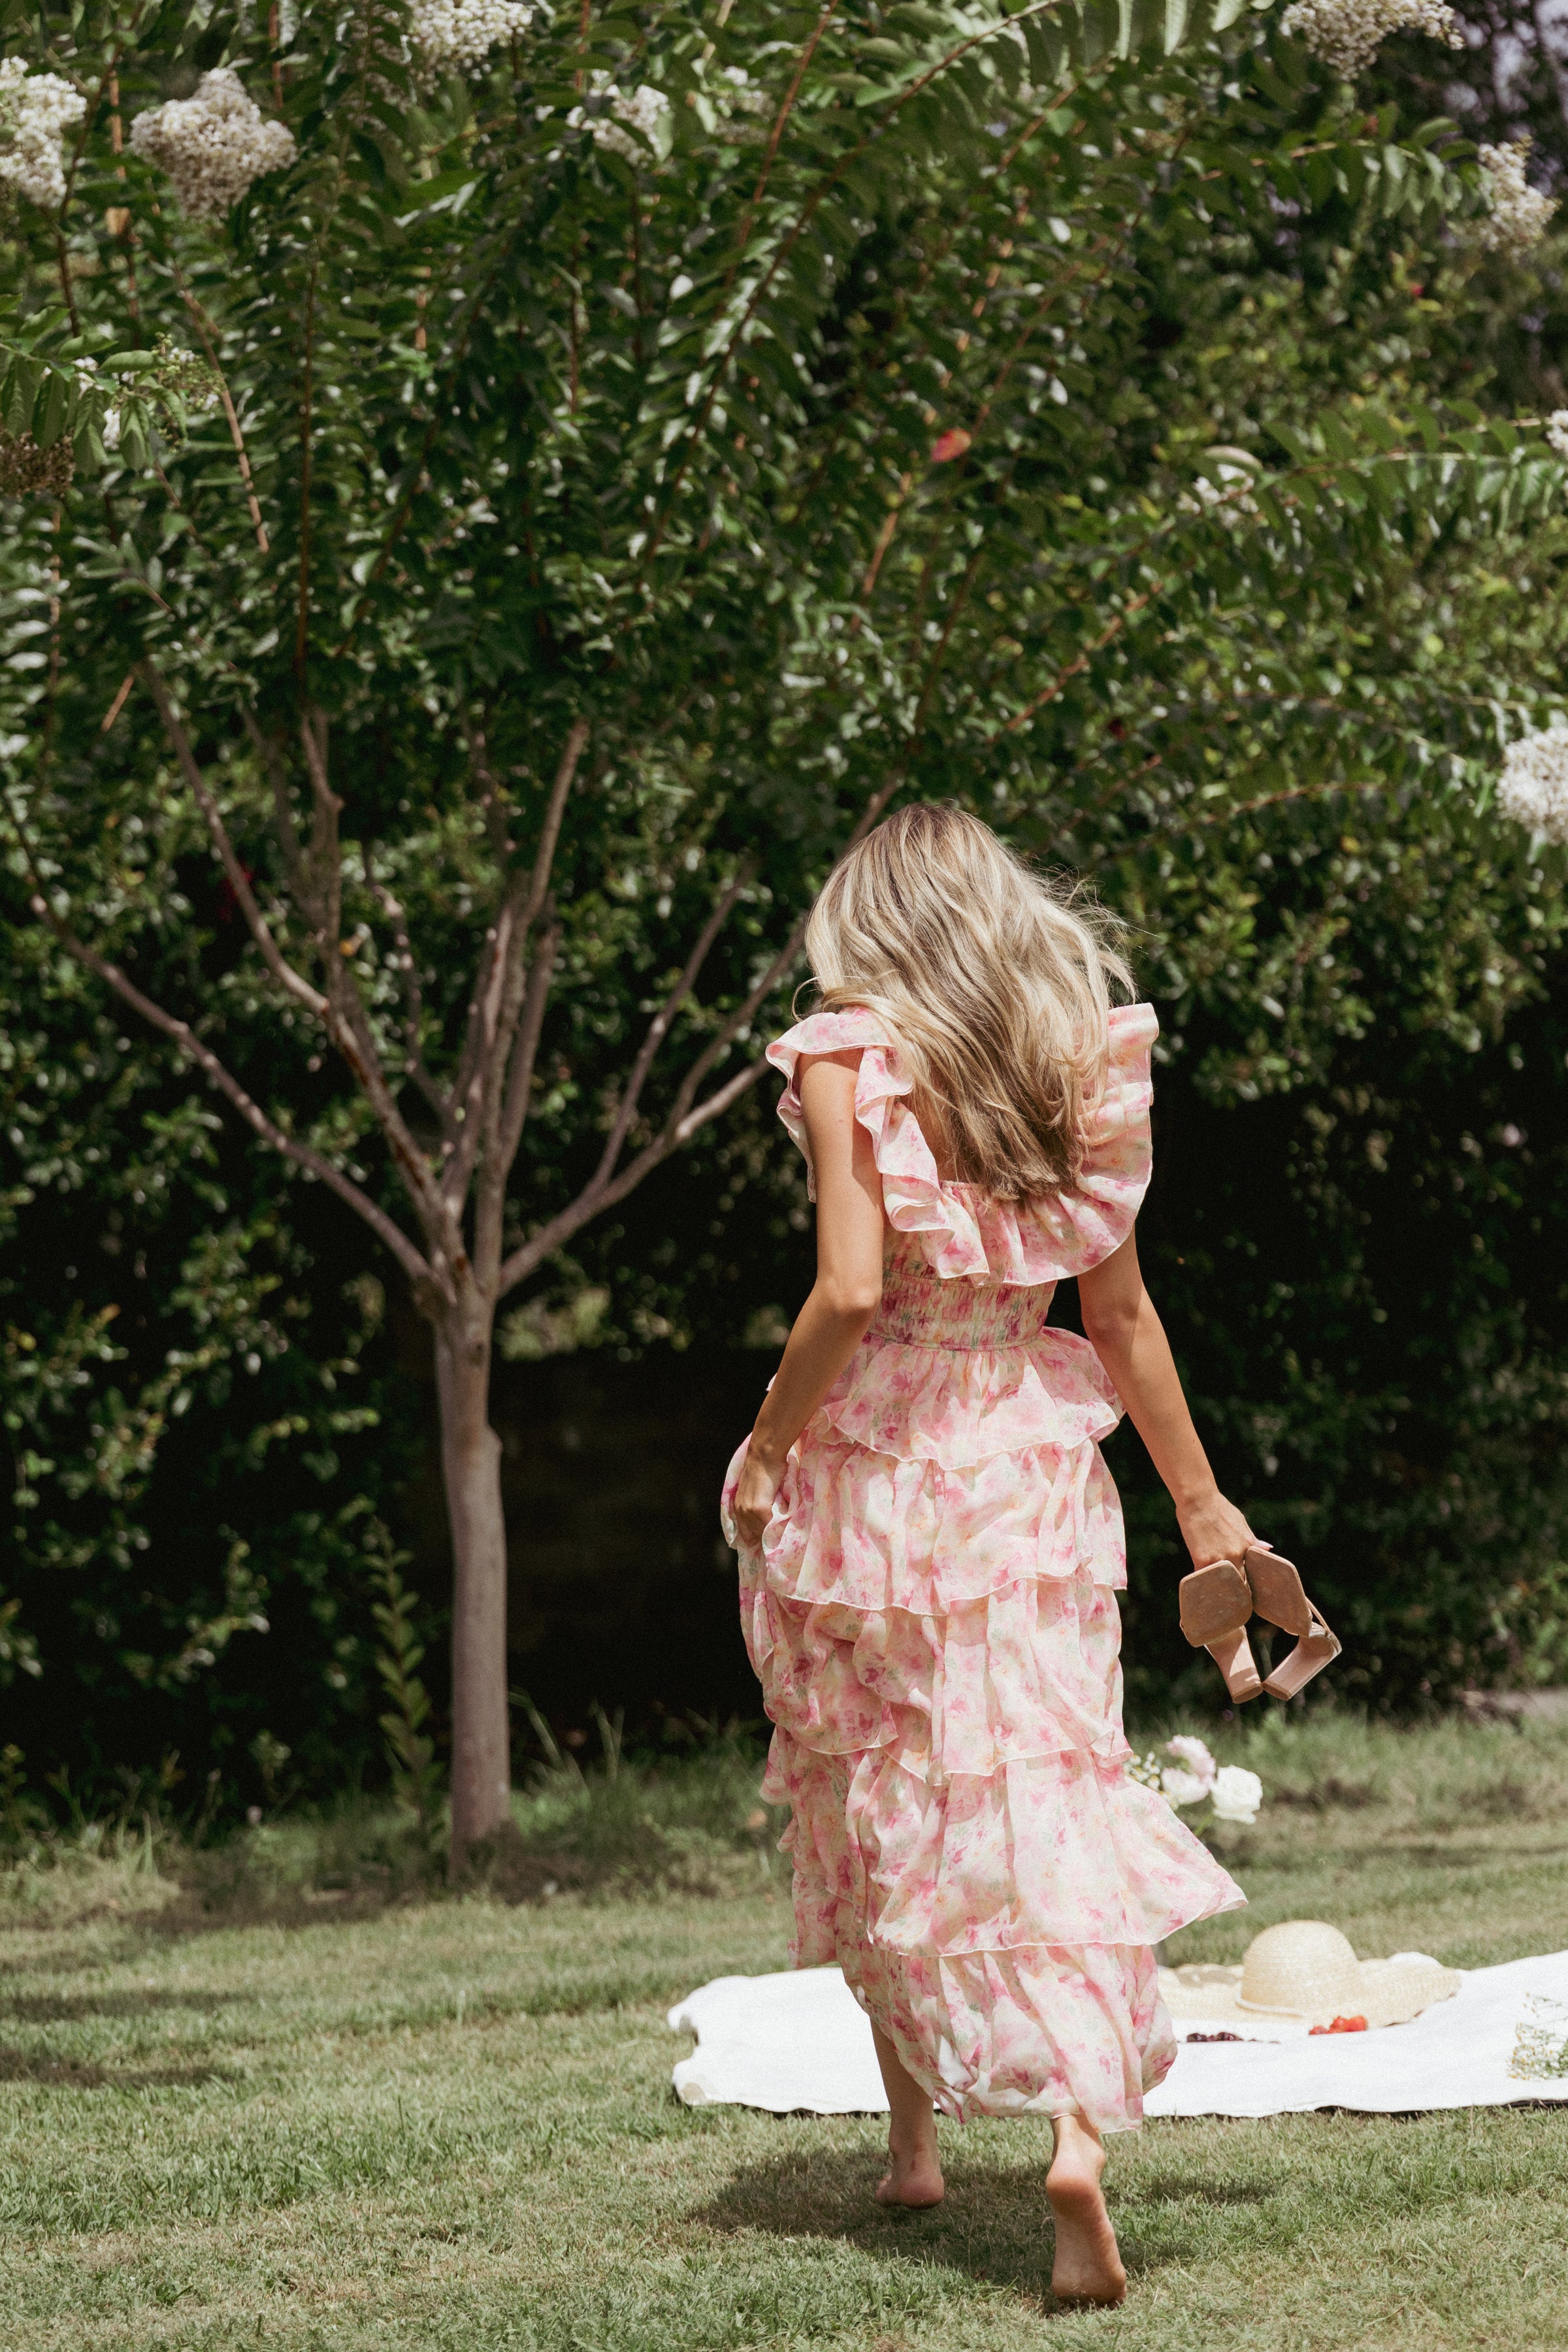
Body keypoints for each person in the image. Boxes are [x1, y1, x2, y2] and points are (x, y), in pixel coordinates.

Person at [723, 804, 1250, 2309]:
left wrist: (766, 1447)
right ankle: (1074, 2141)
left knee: (877, 1781)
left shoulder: (847, 1055)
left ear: (869, 924)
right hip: (1030, 1466)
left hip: (879, 1473)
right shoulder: (1075, 1059)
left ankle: (914, 2146)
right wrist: (1204, 1505)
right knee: (1050, 1789)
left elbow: (847, 1290)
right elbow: (1120, 1318)